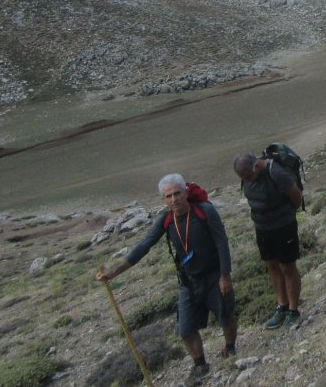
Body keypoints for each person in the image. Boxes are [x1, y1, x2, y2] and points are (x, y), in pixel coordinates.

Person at [96, 174, 236, 386]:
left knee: (225, 317)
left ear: (186, 193)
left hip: (214, 275)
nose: (173, 199)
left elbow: (221, 243)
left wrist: (225, 275)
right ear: (163, 199)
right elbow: (144, 246)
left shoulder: (205, 211)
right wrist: (114, 272)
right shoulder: (166, 219)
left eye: (177, 193)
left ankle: (230, 346)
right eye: (168, 196)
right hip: (188, 281)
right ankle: (200, 364)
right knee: (186, 329)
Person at [233, 152, 303, 330]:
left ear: (256, 166)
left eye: (248, 176)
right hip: (262, 227)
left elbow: (296, 196)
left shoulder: (276, 173)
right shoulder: (248, 176)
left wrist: (287, 214)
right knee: (272, 266)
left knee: (288, 266)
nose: (247, 180)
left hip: (283, 226)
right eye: (243, 178)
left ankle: (294, 311)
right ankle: (282, 306)